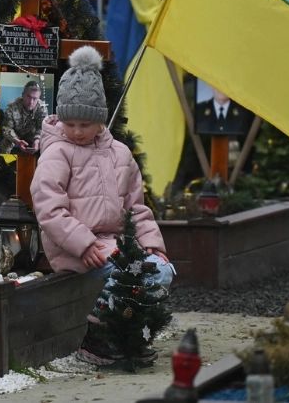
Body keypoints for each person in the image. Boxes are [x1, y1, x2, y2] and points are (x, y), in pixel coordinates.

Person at [30, 46, 173, 366]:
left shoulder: (119, 154)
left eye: (85, 124)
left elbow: (136, 207)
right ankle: (98, 338)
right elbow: (49, 208)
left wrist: (152, 245)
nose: (77, 132)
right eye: (71, 124)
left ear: (100, 119)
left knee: (158, 271)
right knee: (129, 271)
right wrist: (84, 243)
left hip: (115, 243)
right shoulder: (57, 154)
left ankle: (128, 331)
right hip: (75, 246)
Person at [0, 80, 47, 154]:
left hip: (33, 135)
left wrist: (37, 140)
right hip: (16, 135)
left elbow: (42, 127)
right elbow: (7, 128)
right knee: (5, 144)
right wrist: (17, 141)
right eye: (28, 96)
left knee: (46, 144)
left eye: (35, 98)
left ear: (38, 98)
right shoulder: (12, 107)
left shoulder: (42, 108)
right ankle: (5, 164)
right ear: (23, 95)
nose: (31, 102)